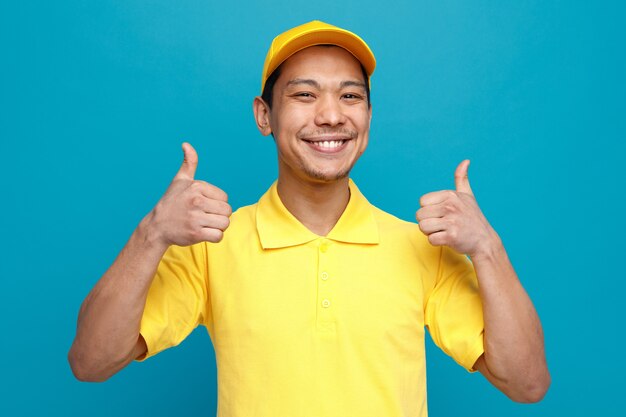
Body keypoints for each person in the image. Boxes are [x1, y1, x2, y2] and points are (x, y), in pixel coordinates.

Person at [68, 20, 550, 416]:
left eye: (350, 96)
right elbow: (91, 361)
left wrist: (489, 248)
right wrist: (151, 234)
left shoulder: (419, 246)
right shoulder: (214, 245)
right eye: (304, 95)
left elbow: (526, 383)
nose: (331, 116)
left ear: (368, 117)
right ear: (264, 115)